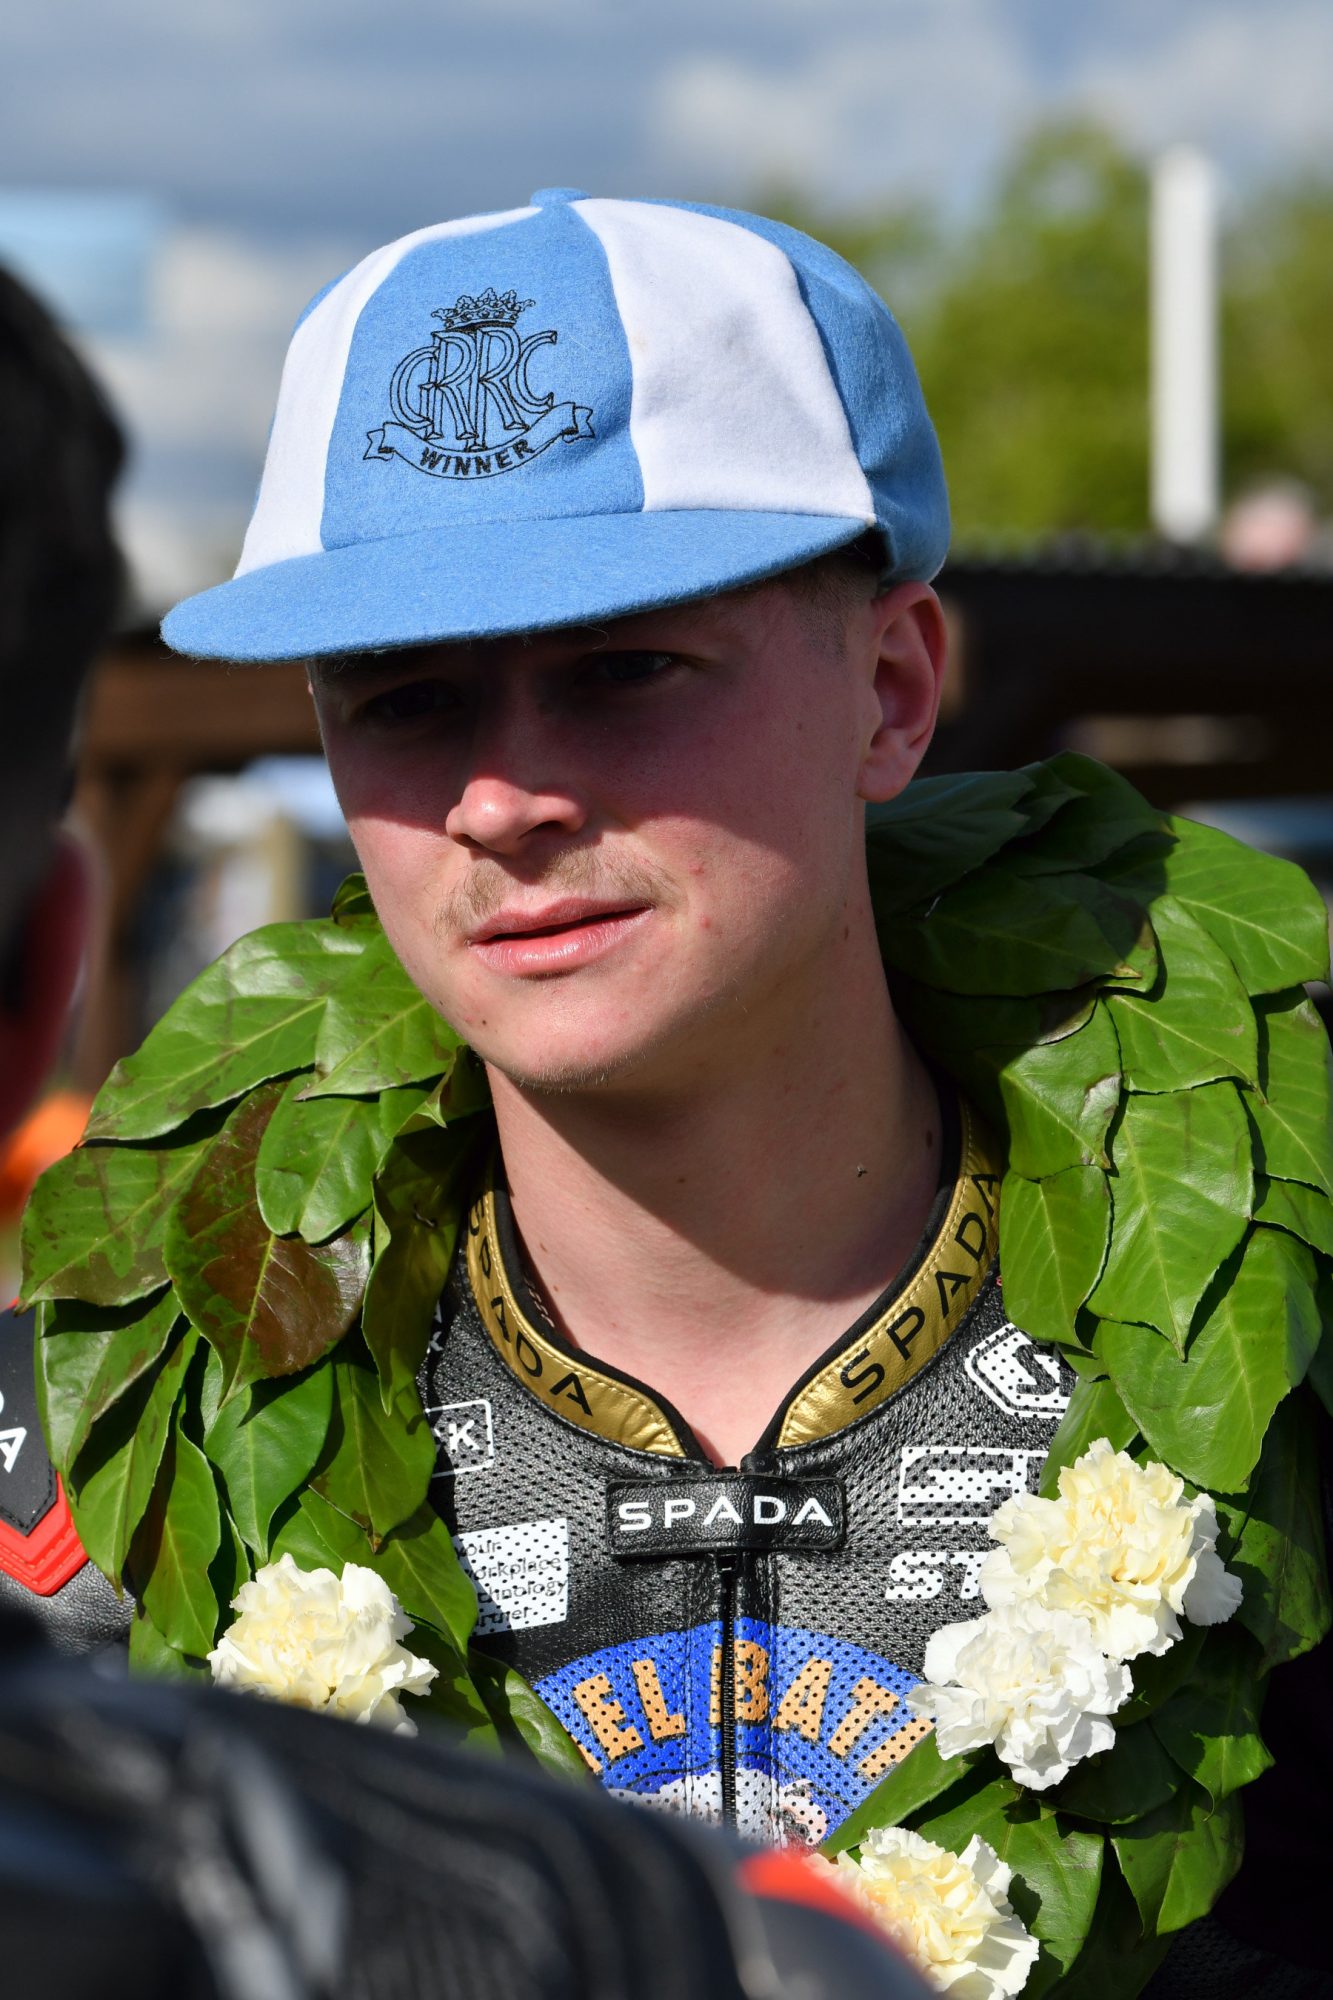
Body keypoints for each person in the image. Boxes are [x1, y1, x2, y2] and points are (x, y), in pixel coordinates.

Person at [15, 194, 1331, 1993]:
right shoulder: (83, 1455)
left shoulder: (1300, 1368)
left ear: (890, 687)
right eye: (402, 701)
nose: (503, 799)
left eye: (622, 668)